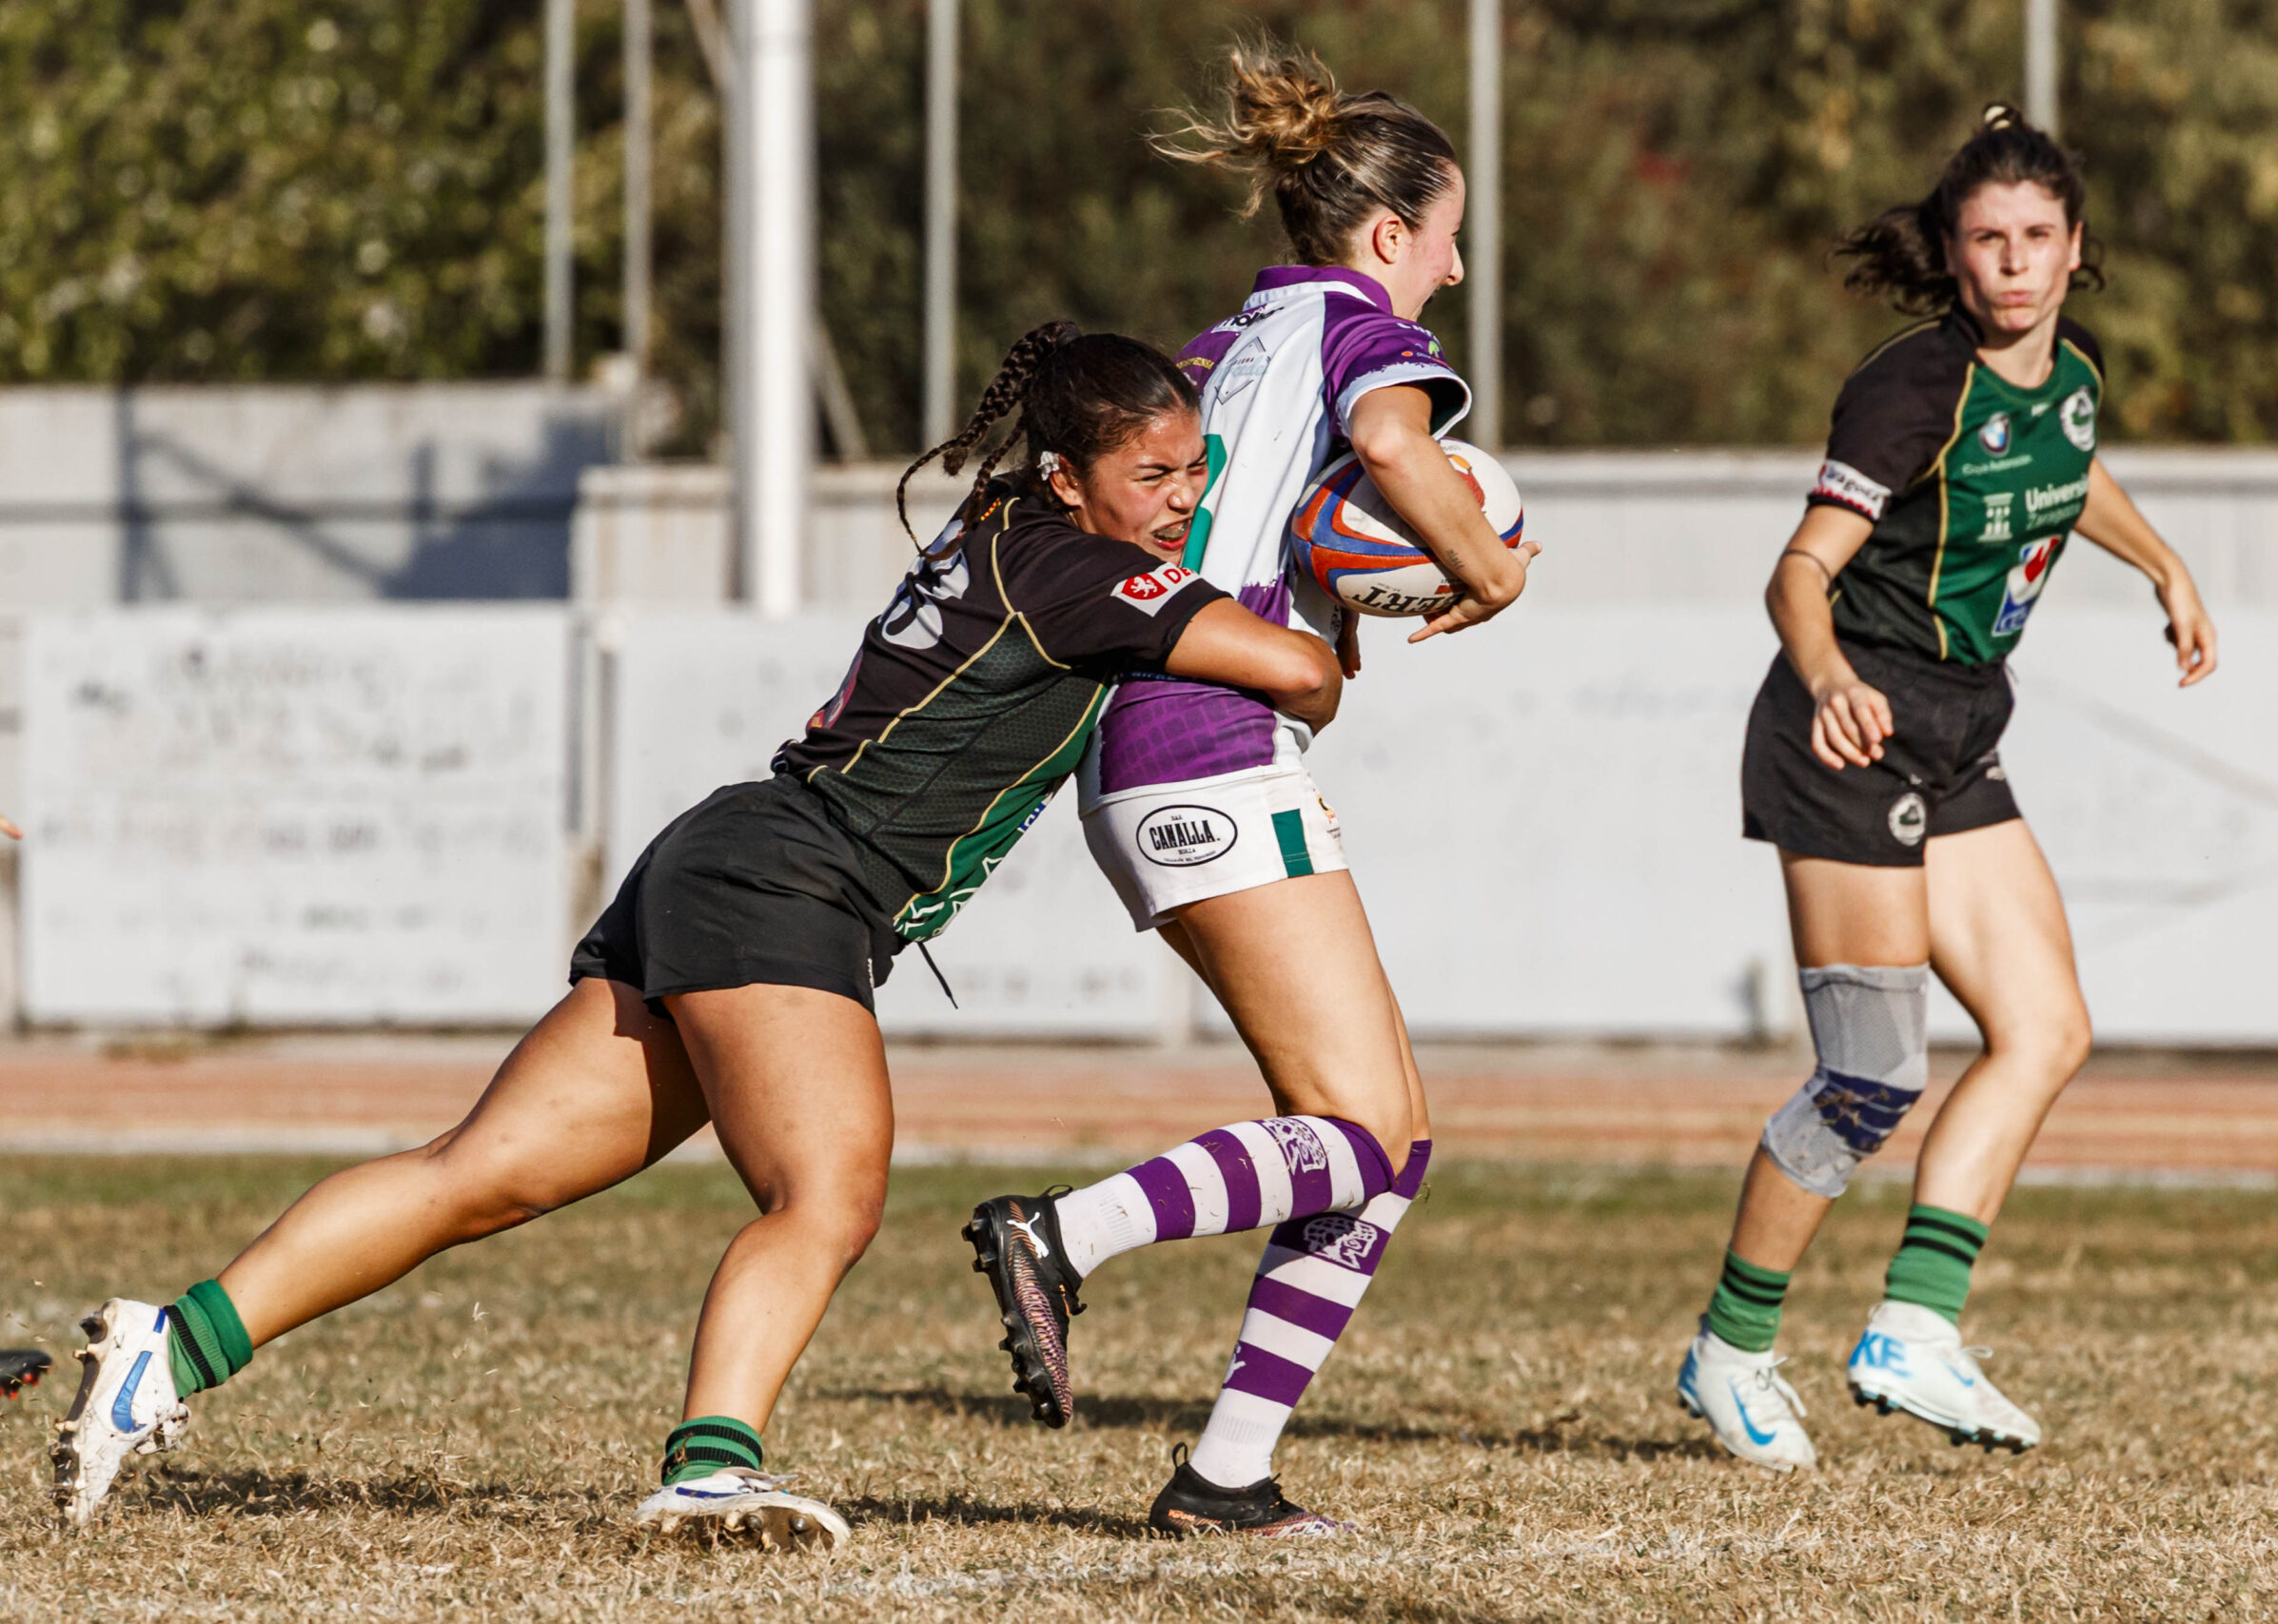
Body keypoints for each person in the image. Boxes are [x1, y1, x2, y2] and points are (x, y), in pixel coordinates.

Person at [47, 323, 1345, 1541]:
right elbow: (1300, 675)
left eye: (1197, 469)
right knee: (825, 1196)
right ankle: (712, 1466)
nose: (1183, 495)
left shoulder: (1006, 525)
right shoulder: (1079, 569)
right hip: (791, 881)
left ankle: (173, 1346)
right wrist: (1348, 578)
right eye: (1154, 475)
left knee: (477, 1173)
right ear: (1066, 478)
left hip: (734, 853)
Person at [964, 41, 1534, 1539]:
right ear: (1388, 235)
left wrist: (1339, 599)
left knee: (1383, 1143)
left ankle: (1227, 1472)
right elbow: (1395, 446)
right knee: (1363, 1130)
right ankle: (1062, 1232)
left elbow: (1267, 524)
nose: (1455, 267)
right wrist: (1487, 568)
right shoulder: (1356, 330)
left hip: (1166, 734)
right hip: (1203, 736)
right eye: (1448, 236)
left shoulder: (1228, 342)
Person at [1674, 106, 2219, 1472]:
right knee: (1870, 1078)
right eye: (1988, 240)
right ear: (1954, 253)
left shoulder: (2073, 372)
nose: (2015, 262)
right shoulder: (1913, 389)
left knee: (2046, 1030)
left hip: (1960, 734)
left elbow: (2067, 466)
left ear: (2076, 246)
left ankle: (1914, 1330)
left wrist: (2162, 564)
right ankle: (1730, 1351)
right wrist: (1827, 679)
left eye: (2038, 236)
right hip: (1848, 736)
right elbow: (1799, 572)